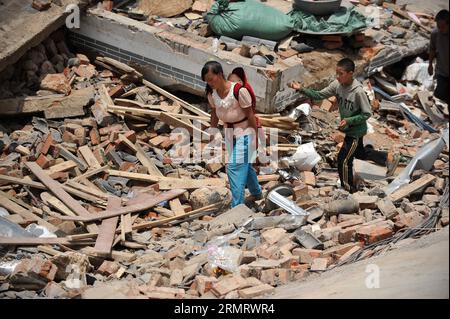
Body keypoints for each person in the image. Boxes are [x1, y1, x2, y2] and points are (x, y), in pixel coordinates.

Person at [289, 58, 400, 193]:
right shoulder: (337, 85)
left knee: (343, 159)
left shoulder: (358, 91)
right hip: (347, 128)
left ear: (350, 73)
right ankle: (387, 157)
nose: (338, 76)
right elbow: (319, 95)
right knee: (360, 153)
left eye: (341, 73)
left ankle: (348, 189)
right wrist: (301, 89)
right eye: (337, 73)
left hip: (355, 131)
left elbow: (367, 114)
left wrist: (349, 120)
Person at [201, 61, 262, 207]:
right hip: (229, 133)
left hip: (245, 132)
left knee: (234, 167)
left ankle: (237, 206)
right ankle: (256, 193)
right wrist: (212, 130)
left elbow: (250, 115)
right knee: (243, 165)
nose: (210, 83)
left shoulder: (239, 91)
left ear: (220, 74)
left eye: (211, 79)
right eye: (207, 81)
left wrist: (255, 138)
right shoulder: (212, 94)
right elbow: (214, 113)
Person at [227, 67, 265, 154]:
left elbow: (250, 114)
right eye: (231, 82)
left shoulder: (243, 92)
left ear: (241, 81)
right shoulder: (230, 94)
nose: (234, 84)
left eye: (237, 81)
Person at [428, 9, 449, 105]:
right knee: (439, 96)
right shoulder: (435, 34)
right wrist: (430, 65)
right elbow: (432, 49)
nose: (440, 29)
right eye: (438, 26)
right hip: (442, 72)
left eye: (443, 27)